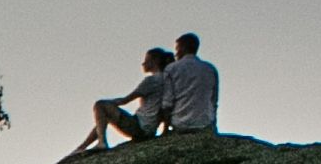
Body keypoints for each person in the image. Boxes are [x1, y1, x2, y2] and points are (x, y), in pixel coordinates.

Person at [73, 32, 225, 151]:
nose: (176, 52)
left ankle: (100, 143)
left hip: (152, 127)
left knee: (101, 106)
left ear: (183, 48)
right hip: (203, 124)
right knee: (104, 117)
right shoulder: (210, 69)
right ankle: (84, 146)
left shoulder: (162, 75)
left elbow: (162, 103)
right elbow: (214, 101)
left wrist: (165, 130)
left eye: (177, 48)